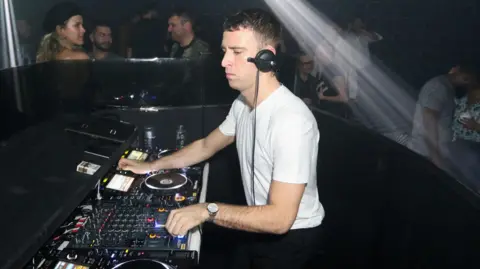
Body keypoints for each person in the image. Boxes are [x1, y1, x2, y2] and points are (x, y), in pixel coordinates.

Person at [118, 8, 324, 269]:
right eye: (225, 51)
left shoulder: (291, 120)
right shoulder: (242, 103)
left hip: (291, 240)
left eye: (236, 52)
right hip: (258, 226)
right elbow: (206, 146)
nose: (224, 61)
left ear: (265, 58)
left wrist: (207, 210)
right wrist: (151, 166)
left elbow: (281, 218)